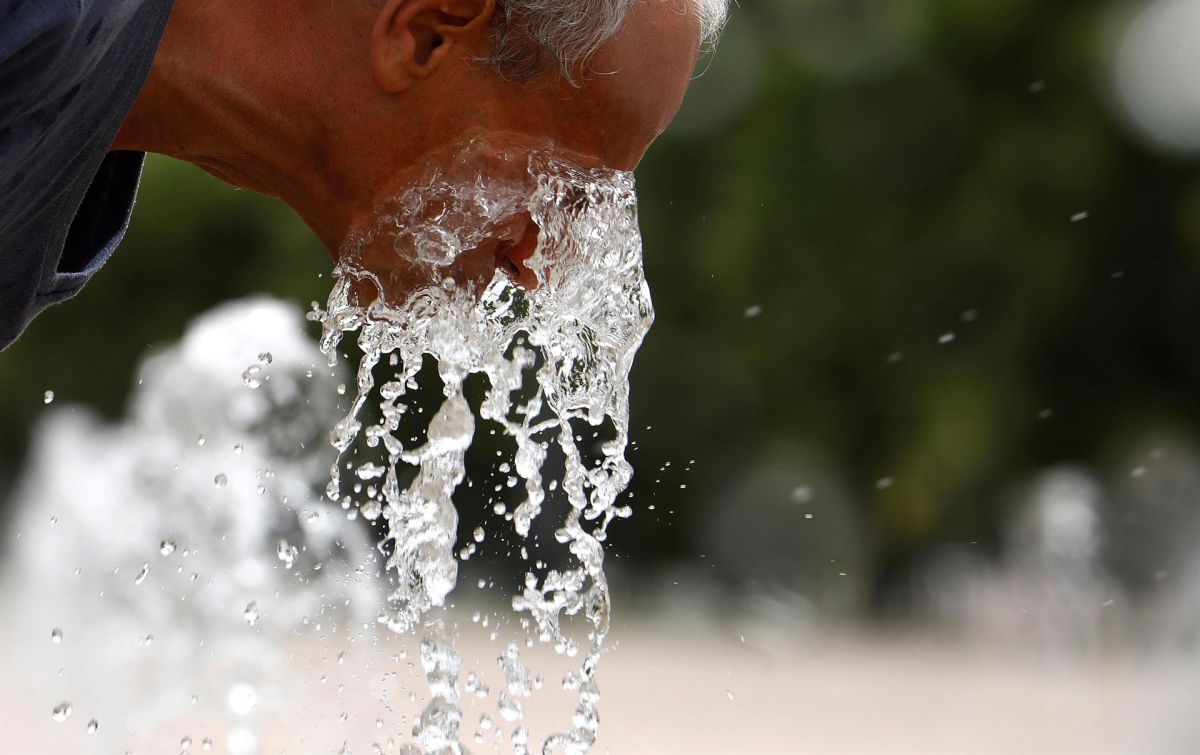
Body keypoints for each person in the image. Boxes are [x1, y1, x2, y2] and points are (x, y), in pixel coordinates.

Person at [0, 0, 727, 349]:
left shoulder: (70, 178)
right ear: (425, 33)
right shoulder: (46, 24)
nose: (535, 262)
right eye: (554, 188)